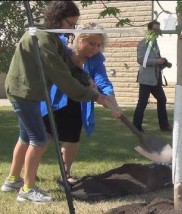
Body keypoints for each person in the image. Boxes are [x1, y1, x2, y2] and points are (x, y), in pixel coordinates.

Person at [1, 1, 106, 203]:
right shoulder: (42, 39)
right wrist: (93, 95)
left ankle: (13, 180)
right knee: (39, 140)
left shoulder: (49, 35)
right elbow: (62, 76)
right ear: (58, 18)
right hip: (24, 93)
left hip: (26, 91)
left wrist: (84, 77)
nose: (72, 29)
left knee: (25, 138)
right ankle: (27, 189)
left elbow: (66, 64)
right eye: (71, 23)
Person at [41, 22, 121, 184]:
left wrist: (113, 103)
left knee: (72, 137)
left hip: (77, 101)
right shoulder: (63, 48)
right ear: (79, 39)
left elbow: (102, 82)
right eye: (91, 43)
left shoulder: (96, 59)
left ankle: (65, 173)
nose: (95, 48)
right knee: (42, 136)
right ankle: (24, 174)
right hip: (53, 98)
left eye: (99, 45)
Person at [133, 20, 172, 133]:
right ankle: (136, 126)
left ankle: (164, 126)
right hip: (146, 79)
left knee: (162, 99)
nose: (157, 32)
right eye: (155, 30)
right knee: (143, 102)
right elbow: (140, 60)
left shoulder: (155, 44)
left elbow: (156, 60)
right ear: (149, 30)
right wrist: (156, 61)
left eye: (158, 30)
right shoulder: (143, 43)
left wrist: (163, 62)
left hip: (155, 79)